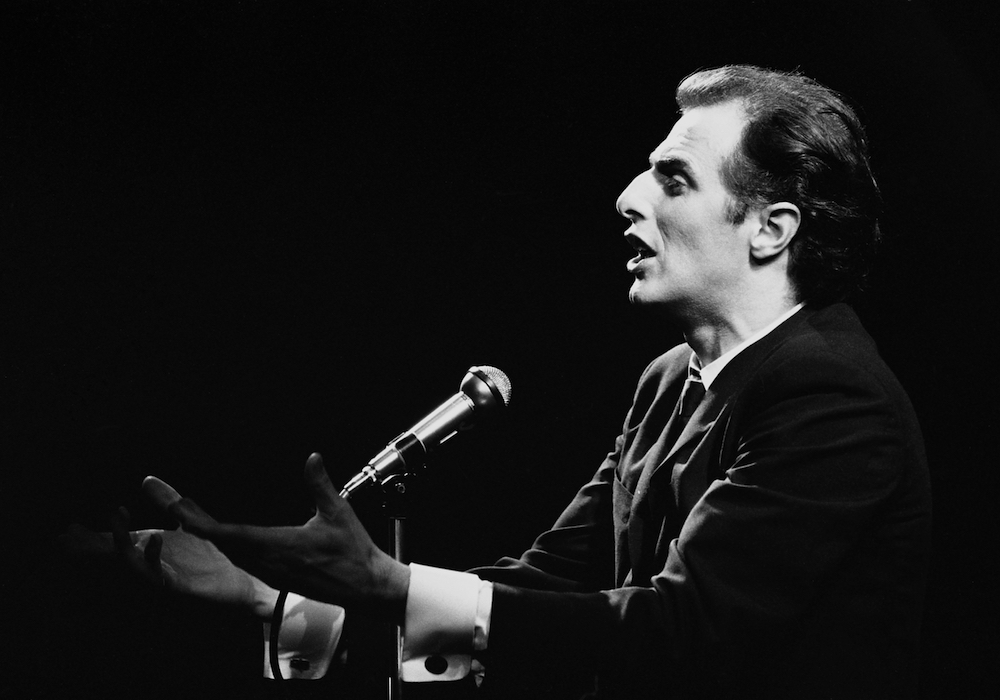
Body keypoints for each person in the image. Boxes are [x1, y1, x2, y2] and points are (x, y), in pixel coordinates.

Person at [89, 65, 933, 699]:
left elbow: (686, 633)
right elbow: (547, 589)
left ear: (771, 229)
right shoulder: (670, 380)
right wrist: (267, 595)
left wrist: (389, 584)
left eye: (674, 178)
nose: (628, 197)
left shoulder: (830, 394)